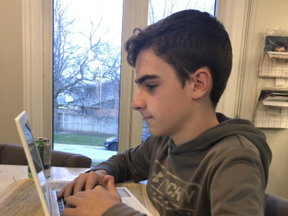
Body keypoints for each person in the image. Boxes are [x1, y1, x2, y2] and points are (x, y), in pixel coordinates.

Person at [59, 9, 272, 216]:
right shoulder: (164, 141)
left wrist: (112, 212)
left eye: (151, 86)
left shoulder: (235, 161)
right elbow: (127, 163)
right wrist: (99, 173)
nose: (135, 102)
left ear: (198, 84)